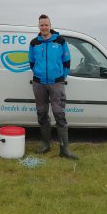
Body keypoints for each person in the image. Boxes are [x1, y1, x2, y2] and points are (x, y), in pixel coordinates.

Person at [28, 14, 78, 160]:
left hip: (57, 83)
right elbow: (31, 63)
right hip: (39, 83)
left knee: (59, 115)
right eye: (41, 25)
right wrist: (39, 74)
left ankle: (64, 149)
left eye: (46, 25)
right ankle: (45, 145)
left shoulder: (60, 41)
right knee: (42, 114)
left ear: (50, 25)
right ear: (39, 26)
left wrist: (61, 77)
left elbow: (67, 62)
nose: (44, 27)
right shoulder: (34, 43)